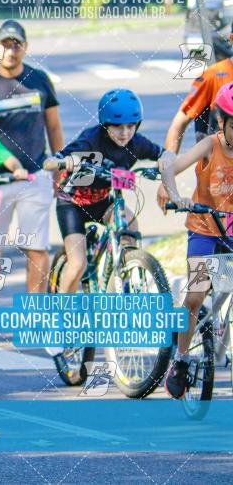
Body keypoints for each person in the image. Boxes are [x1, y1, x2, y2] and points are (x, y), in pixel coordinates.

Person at [43, 90, 174, 375]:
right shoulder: (90, 140)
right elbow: (53, 160)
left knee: (131, 224)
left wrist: (167, 162)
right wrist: (63, 162)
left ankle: (129, 270)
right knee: (77, 263)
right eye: (118, 126)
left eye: (131, 126)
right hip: (73, 204)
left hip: (106, 202)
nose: (125, 132)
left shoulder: (136, 144)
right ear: (105, 125)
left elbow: (164, 154)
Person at [0, 20, 64, 294]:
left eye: (16, 45)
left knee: (37, 248)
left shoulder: (39, 80)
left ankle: (34, 316)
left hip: (34, 176)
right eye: (5, 44)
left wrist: (59, 166)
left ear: (25, 48)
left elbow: (54, 126)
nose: (11, 50)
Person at [160, 82, 233, 399]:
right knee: (196, 295)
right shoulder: (210, 145)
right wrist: (174, 194)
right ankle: (181, 359)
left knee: (226, 288)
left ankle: (222, 333)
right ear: (221, 122)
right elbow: (170, 167)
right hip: (204, 227)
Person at [159, 26, 233, 206]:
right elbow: (180, 121)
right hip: (218, 177)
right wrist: (167, 173)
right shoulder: (213, 75)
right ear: (232, 39)